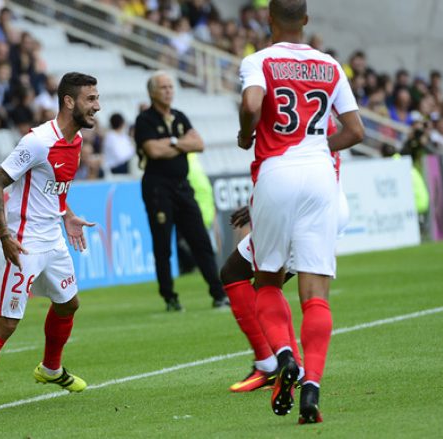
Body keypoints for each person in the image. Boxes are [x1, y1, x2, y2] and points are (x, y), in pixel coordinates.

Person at [237, 0, 364, 424]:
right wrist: (315, 148)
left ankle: (285, 356)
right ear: (306, 21)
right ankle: (312, 387)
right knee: (315, 294)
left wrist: (244, 133)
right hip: (320, 176)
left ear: (268, 19)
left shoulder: (259, 61)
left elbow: (253, 105)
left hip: (276, 172)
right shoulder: (329, 65)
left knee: (267, 280)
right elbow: (355, 131)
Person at [0, 72, 99, 415]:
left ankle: (50, 369)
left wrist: (67, 214)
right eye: (90, 99)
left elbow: (53, 190)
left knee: (68, 303)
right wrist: (5, 236)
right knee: (7, 322)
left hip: (54, 239)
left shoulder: (75, 142)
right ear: (69, 101)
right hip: (24, 242)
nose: (97, 105)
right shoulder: (37, 142)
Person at [224, 121, 348, 394]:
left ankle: (286, 366)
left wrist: (246, 132)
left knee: (267, 287)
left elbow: (285, 157)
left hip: (304, 209)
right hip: (319, 199)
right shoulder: (317, 107)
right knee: (237, 273)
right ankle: (277, 364)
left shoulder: (281, 102)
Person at [134, 70, 228, 311]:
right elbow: (153, 151)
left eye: (171, 87)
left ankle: (218, 293)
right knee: (163, 244)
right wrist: (181, 144)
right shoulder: (145, 120)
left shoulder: (180, 116)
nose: (168, 91)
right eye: (163, 87)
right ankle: (170, 297)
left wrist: (172, 143)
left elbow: (199, 144)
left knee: (200, 240)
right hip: (157, 188)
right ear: (152, 92)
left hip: (182, 186)